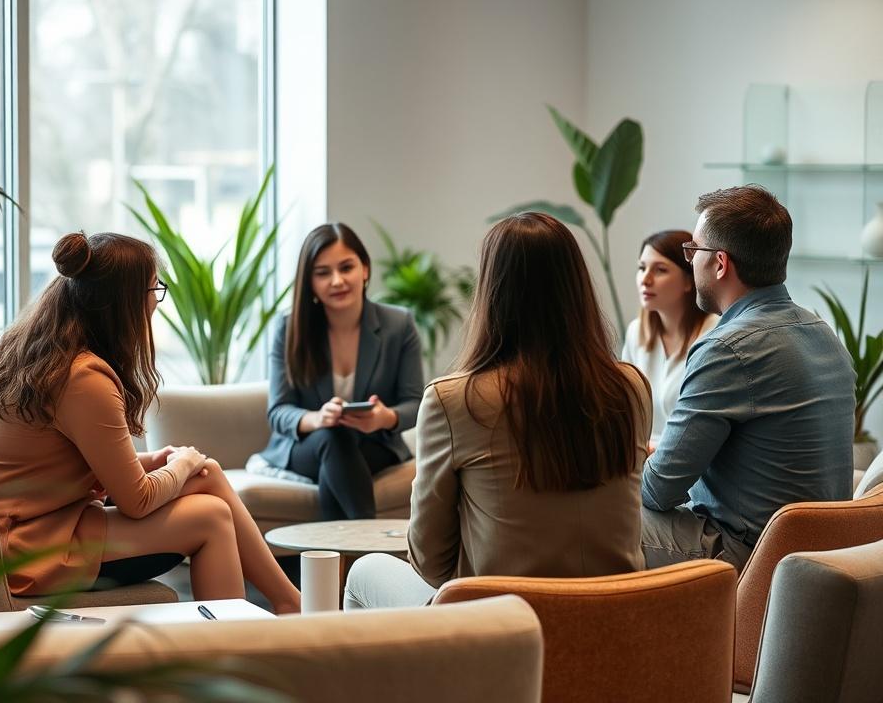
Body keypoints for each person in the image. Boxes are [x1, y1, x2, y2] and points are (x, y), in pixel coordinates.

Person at [0, 232, 300, 613]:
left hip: (36, 527)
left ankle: (289, 603)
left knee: (207, 472)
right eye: (154, 288)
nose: (156, 300)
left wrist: (170, 465)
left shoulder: (50, 355)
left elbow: (62, 468)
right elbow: (137, 500)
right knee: (211, 517)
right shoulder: (82, 378)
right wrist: (179, 464)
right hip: (17, 551)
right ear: (124, 302)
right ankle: (232, 650)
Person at [344, 212, 652, 610]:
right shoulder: (629, 388)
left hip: (502, 631)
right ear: (576, 289)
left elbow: (429, 562)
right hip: (614, 622)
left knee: (363, 572)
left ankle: (425, 675)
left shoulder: (454, 400)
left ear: (492, 292)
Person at [642, 185, 856, 571]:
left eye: (693, 251)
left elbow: (659, 491)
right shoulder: (824, 336)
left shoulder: (727, 349)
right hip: (819, 553)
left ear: (720, 263)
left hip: (750, 554)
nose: (690, 262)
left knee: (596, 519)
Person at [262, 223, 424, 521]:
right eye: (322, 273)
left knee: (338, 457)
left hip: (374, 443)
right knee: (333, 438)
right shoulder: (289, 329)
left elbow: (416, 402)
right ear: (309, 281)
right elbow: (278, 411)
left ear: (364, 269)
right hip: (309, 445)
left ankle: (331, 563)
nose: (336, 281)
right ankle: (367, 548)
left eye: (346, 267)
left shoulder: (399, 325)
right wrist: (317, 418)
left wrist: (384, 418)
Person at [622, 230, 717, 449]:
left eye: (660, 270)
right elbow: (625, 411)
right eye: (642, 268)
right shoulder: (636, 333)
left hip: (688, 462)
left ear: (689, 280)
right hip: (641, 458)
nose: (645, 279)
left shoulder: (713, 334)